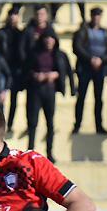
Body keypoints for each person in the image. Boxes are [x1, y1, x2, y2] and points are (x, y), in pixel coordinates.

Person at [24, 32, 73, 163]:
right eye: (46, 39)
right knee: (33, 123)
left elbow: (67, 71)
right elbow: (26, 70)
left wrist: (56, 75)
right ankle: (30, 152)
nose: (49, 42)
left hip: (50, 91)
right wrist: (36, 75)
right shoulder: (34, 53)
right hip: (35, 90)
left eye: (51, 39)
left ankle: (49, 152)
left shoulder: (59, 54)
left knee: (50, 123)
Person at [72, 7, 107, 135]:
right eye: (94, 15)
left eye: (98, 15)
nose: (96, 18)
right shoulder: (83, 31)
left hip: (100, 69)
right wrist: (91, 59)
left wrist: (101, 60)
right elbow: (77, 47)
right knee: (81, 97)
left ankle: (99, 125)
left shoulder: (106, 33)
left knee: (98, 98)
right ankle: (77, 125)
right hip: (85, 68)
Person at [0, 7, 24, 135]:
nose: (13, 17)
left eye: (15, 15)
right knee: (1, 98)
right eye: (11, 15)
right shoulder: (0, 33)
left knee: (14, 99)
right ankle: (1, 124)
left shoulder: (21, 33)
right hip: (2, 70)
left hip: (16, 70)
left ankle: (10, 124)